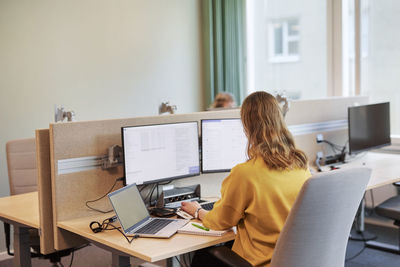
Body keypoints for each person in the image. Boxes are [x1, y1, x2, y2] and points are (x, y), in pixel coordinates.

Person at [181, 91, 311, 267]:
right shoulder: (301, 165)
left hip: (259, 262)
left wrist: (197, 211)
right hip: (294, 260)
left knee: (201, 258)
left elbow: (220, 222)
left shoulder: (245, 173)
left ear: (247, 127)